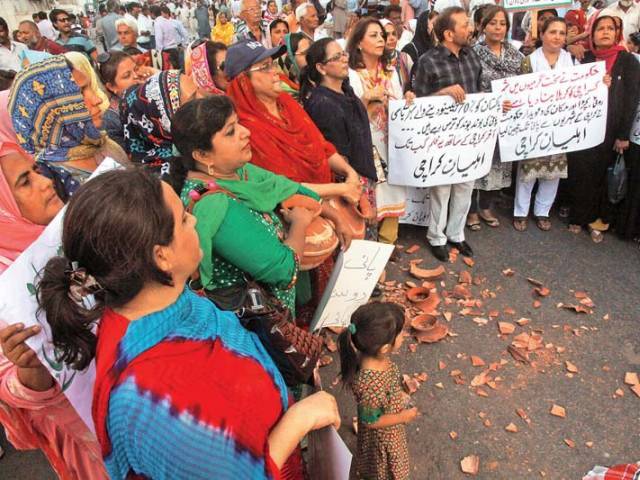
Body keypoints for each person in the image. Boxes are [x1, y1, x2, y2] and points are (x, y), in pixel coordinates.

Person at [36, 167, 341, 479]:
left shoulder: (175, 300)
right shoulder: (148, 402)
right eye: (183, 218)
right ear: (162, 257)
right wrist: (297, 422)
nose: (194, 220)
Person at [0, 88, 108, 478]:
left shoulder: (69, 231)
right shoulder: (5, 285)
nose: (46, 183)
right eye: (25, 182)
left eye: (36, 170)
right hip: (89, 434)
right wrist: (30, 367)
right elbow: (17, 391)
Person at [171, 95, 351, 317]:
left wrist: (333, 214)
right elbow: (284, 270)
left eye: (238, 123)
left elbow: (286, 187)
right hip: (254, 320)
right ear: (202, 155)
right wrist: (299, 224)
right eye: (230, 131)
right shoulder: (216, 206)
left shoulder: (237, 173)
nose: (245, 132)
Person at [9, 53, 127, 198]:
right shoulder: (48, 177)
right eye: (80, 93)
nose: (97, 100)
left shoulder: (103, 144)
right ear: (50, 110)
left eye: (90, 87)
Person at [413, 7, 480, 260]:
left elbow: (480, 90)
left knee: (465, 185)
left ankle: (456, 234)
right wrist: (440, 94)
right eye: (464, 25)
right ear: (449, 33)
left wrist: (496, 104)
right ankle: (436, 236)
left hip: (471, 134)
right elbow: (417, 103)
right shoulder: (428, 61)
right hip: (441, 139)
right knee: (441, 189)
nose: (470, 29)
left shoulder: (472, 56)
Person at [567, 14, 640, 242]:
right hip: (584, 126)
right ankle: (578, 216)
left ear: (617, 34)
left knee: (602, 173)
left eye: (610, 28)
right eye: (600, 28)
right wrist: (570, 46)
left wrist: (622, 135)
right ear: (592, 34)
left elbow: (631, 100)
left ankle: (598, 220)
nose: (605, 32)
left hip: (612, 129)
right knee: (581, 170)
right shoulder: (585, 57)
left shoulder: (628, 61)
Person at [302, 38, 378, 239]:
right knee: (360, 246)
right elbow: (336, 158)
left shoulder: (345, 89)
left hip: (362, 179)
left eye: (343, 53)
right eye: (337, 57)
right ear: (321, 68)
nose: (345, 59)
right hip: (351, 188)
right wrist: (360, 196)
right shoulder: (323, 104)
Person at [338, 302, 417, 480]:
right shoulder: (370, 384)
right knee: (384, 470)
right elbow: (369, 421)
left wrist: (398, 396)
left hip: (390, 422)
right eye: (401, 333)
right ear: (384, 348)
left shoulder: (371, 357)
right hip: (384, 437)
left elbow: (387, 389)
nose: (404, 336)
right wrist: (404, 417)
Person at [347, 18, 407, 245]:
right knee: (369, 196)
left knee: (393, 190)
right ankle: (369, 250)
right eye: (374, 35)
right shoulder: (352, 74)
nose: (381, 39)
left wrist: (405, 102)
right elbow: (349, 113)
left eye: (382, 35)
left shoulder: (390, 72)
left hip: (391, 142)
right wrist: (368, 99)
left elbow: (399, 103)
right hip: (365, 144)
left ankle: (387, 244)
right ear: (359, 43)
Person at [512, 17, 573, 233]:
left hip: (561, 124)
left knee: (553, 171)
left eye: (562, 33)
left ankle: (543, 211)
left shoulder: (572, 60)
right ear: (543, 34)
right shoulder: (529, 61)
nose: (557, 36)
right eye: (552, 32)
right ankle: (520, 211)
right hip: (534, 124)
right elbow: (519, 91)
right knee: (528, 169)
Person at [467, 5, 522, 231]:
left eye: (502, 23)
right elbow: (468, 86)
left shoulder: (517, 56)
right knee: (477, 162)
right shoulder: (472, 53)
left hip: (507, 119)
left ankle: (487, 206)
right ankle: (470, 210)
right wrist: (490, 100)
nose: (498, 28)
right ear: (482, 26)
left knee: (499, 163)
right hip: (480, 118)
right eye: (492, 23)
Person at [121, 67, 206, 179]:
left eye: (198, 89)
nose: (203, 98)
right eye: (193, 99)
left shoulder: (196, 139)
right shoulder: (163, 179)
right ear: (164, 120)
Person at [98, 51, 150, 150]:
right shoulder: (110, 121)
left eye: (136, 69)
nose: (136, 76)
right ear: (111, 87)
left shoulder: (150, 98)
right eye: (127, 76)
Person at [399, 10, 434, 91]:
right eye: (434, 23)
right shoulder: (409, 50)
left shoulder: (441, 49)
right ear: (424, 25)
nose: (439, 27)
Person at [154, 5, 189, 71]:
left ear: (165, 13)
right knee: (175, 69)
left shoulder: (175, 22)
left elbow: (185, 34)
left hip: (178, 48)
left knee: (180, 68)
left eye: (162, 13)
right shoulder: (162, 22)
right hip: (170, 49)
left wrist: (184, 44)